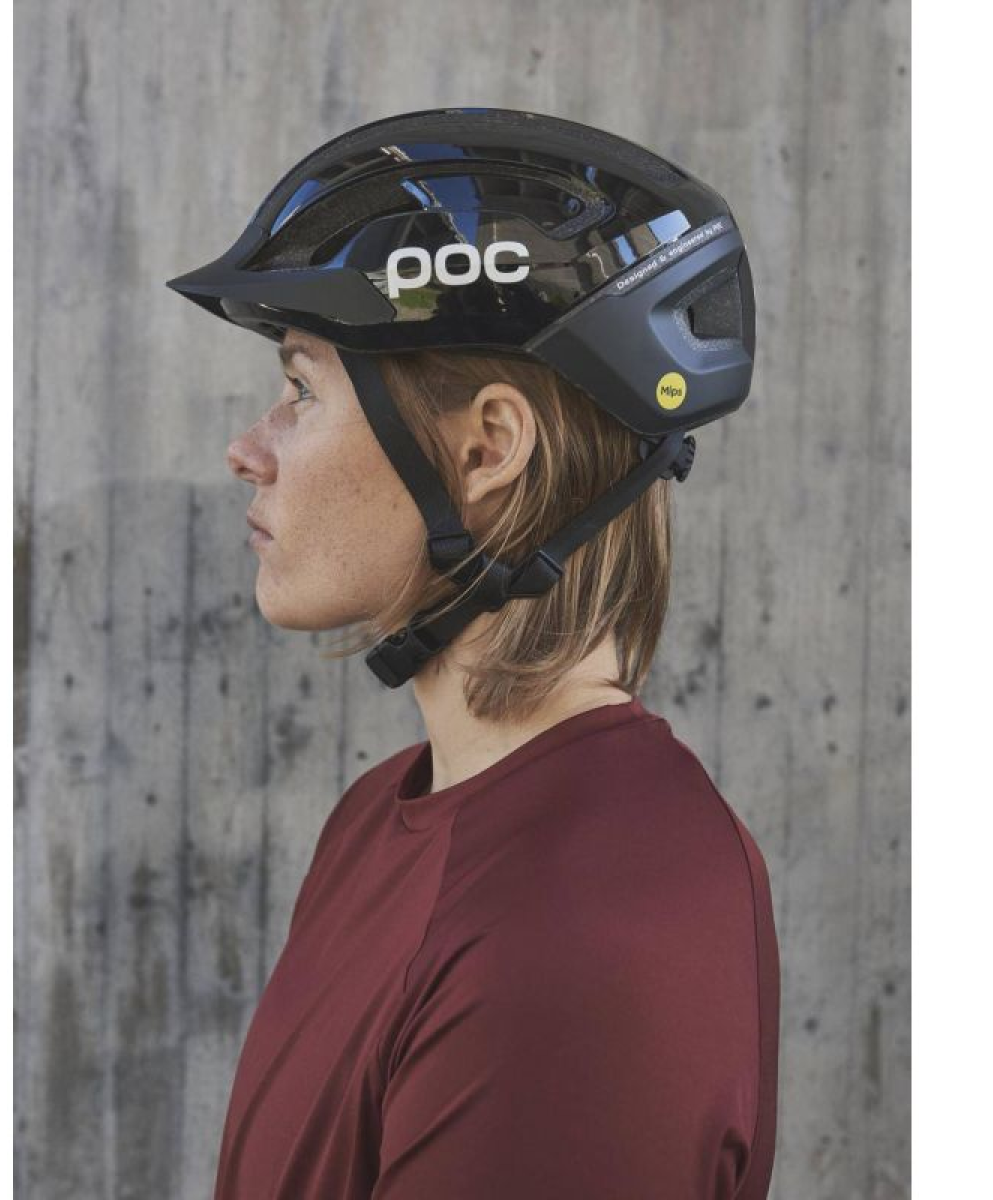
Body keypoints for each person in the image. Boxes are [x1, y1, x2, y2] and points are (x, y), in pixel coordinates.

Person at [168, 108, 779, 1200]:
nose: (247, 450)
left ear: (487, 449)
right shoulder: (381, 818)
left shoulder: (587, 920)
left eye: (303, 390)